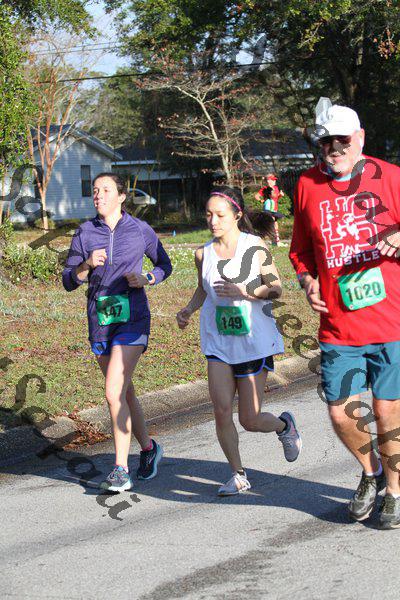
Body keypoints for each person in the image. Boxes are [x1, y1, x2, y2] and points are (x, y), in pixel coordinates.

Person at [290, 104, 400, 529]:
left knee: (387, 411)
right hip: (339, 324)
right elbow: (300, 250)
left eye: (342, 141)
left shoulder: (391, 177)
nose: (334, 149)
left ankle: (394, 491)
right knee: (341, 413)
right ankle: (371, 474)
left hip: (391, 321)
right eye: (326, 142)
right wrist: (307, 281)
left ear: (361, 138)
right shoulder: (307, 185)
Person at [176, 186, 302, 496]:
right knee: (221, 410)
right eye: (208, 214)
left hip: (252, 341)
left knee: (250, 418)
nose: (213, 221)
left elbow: (276, 287)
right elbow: (203, 288)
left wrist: (246, 292)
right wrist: (188, 309)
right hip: (219, 341)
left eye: (220, 215)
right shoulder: (202, 253)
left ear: (237, 215)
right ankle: (238, 474)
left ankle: (284, 426)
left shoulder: (254, 246)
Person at [62, 172, 172, 492]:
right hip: (101, 321)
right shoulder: (85, 232)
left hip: (133, 319)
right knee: (124, 393)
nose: (98, 195)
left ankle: (120, 470)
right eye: (95, 190)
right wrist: (86, 265)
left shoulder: (139, 229)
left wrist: (147, 278)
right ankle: (149, 449)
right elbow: (68, 280)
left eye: (106, 190)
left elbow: (164, 264)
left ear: (122, 196)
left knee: (113, 392)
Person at [255, 174, 285, 245]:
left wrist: (280, 195)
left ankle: (274, 241)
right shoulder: (265, 189)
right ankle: (275, 242)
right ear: (268, 181)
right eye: (273, 180)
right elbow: (256, 196)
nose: (274, 181)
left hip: (274, 209)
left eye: (274, 180)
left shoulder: (276, 188)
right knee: (273, 224)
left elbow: (276, 198)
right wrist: (261, 201)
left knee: (272, 225)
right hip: (269, 209)